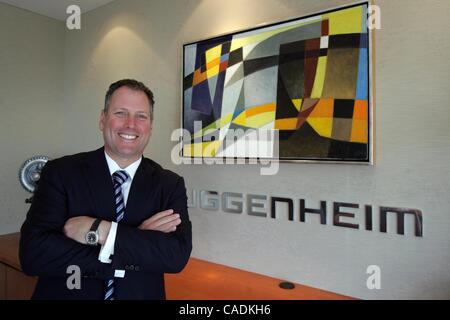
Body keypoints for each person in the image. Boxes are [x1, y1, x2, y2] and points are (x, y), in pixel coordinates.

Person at [19, 79, 192, 300]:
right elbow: (34, 255)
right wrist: (138, 241)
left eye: (141, 116)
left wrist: (101, 231)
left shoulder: (169, 184)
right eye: (120, 113)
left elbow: (175, 257)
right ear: (103, 120)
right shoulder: (60, 172)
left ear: (150, 126)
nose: (131, 124)